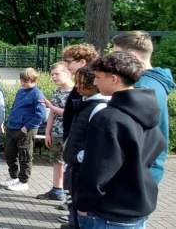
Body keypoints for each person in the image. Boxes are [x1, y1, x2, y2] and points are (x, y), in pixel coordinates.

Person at [75, 52, 165, 229]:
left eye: (98, 77)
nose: (94, 82)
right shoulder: (147, 111)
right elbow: (158, 146)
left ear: (114, 79)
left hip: (109, 212)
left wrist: (83, 204)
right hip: (137, 205)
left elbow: (97, 170)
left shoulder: (108, 119)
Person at [111, 31, 176, 184]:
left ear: (133, 55)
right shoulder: (155, 82)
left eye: (117, 54)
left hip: (137, 170)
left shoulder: (140, 87)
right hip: (146, 167)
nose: (114, 60)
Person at [62, 67, 111, 229]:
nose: (76, 86)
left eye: (81, 82)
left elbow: (95, 144)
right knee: (72, 207)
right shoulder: (85, 103)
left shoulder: (99, 107)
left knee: (80, 211)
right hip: (73, 168)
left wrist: (78, 156)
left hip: (80, 169)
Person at [56, 43, 99, 223]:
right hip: (72, 141)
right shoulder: (80, 87)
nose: (67, 67)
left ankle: (76, 218)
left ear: (82, 61)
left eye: (69, 62)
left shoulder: (91, 89)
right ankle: (73, 215)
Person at [0, 68, 46, 192]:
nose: (22, 82)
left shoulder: (37, 94)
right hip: (13, 126)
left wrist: (27, 127)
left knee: (25, 155)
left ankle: (23, 181)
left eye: (26, 81)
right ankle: (14, 176)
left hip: (25, 129)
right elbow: (15, 107)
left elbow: (41, 115)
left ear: (34, 80)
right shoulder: (20, 91)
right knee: (9, 153)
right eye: (21, 80)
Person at [36, 62, 75, 201]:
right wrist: (48, 132)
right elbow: (51, 113)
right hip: (56, 132)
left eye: (57, 74)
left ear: (68, 73)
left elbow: (68, 113)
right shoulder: (57, 91)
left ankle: (67, 193)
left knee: (68, 164)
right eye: (52, 74)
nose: (54, 77)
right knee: (56, 161)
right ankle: (56, 189)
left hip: (68, 133)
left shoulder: (75, 92)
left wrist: (50, 106)